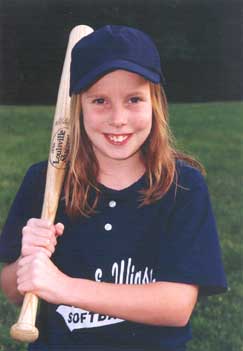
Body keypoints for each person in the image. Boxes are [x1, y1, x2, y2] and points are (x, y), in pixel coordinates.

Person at [0, 25, 227, 351]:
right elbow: (11, 288)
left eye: (134, 99)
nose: (118, 118)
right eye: (100, 101)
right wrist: (28, 260)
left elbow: (176, 305)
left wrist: (62, 286)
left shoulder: (183, 186)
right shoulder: (42, 181)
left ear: (155, 103)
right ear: (78, 107)